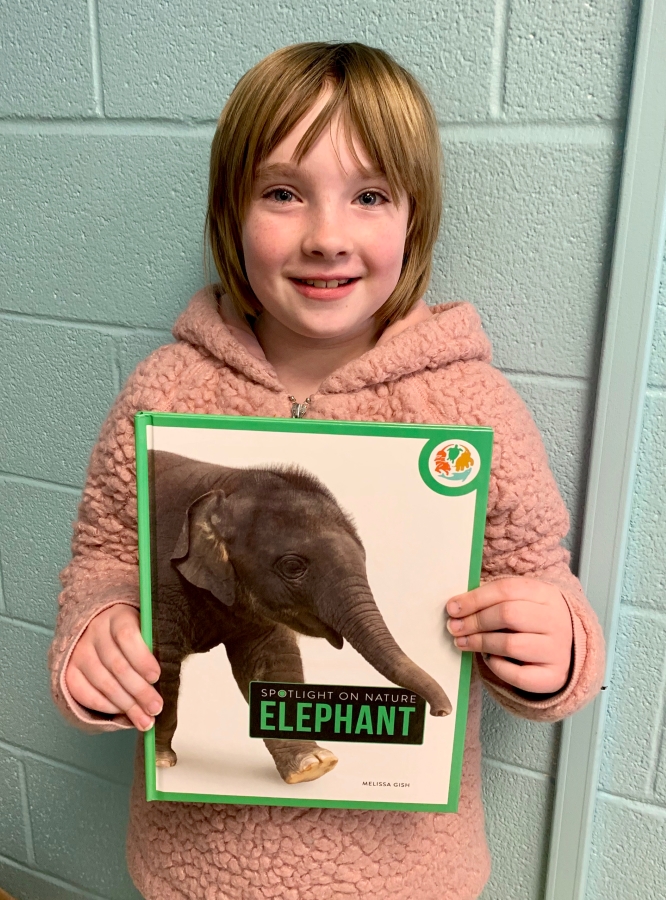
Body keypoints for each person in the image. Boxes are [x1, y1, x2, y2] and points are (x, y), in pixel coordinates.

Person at [49, 42, 605, 900]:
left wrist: (556, 645)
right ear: (231, 212)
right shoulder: (166, 390)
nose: (327, 236)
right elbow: (103, 561)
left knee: (269, 639)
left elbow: (540, 579)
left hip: (402, 875)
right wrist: (96, 634)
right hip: (198, 869)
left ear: (414, 219)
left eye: (370, 195)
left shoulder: (471, 408)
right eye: (282, 193)